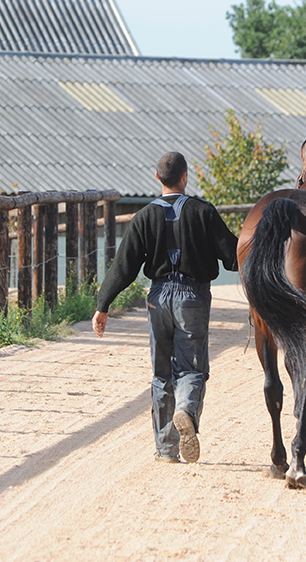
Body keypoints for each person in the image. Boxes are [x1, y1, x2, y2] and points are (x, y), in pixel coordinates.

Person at [92, 152, 239, 463]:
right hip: (192, 297)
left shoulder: (144, 217)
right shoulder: (203, 212)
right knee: (192, 368)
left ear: (157, 178)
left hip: (158, 298)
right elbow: (234, 256)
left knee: (162, 373)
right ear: (185, 177)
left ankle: (166, 449)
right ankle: (186, 410)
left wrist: (102, 305)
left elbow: (123, 267)